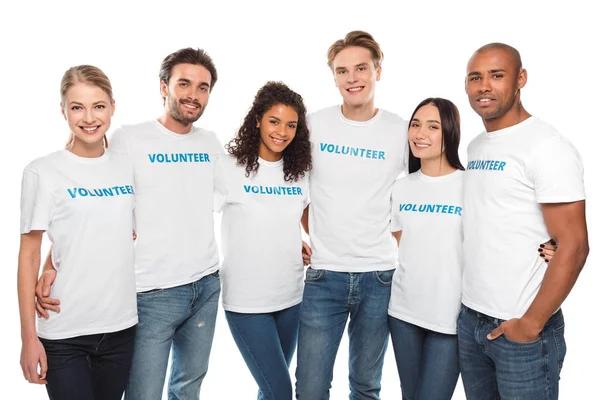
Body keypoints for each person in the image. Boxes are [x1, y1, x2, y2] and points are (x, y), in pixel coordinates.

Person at [35, 48, 223, 400]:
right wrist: (51, 262)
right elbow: (88, 195)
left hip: (206, 286)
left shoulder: (210, 143)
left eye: (203, 87)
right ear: (164, 86)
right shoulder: (129, 139)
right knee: (143, 395)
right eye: (184, 83)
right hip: (151, 294)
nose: (193, 95)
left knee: (188, 388)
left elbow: (241, 199)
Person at [459, 43, 589, 399]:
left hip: (522, 329)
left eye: (496, 75)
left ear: (521, 79)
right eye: (475, 77)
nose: (484, 86)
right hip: (472, 320)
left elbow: (575, 245)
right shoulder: (476, 147)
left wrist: (530, 324)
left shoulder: (546, 146)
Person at [295, 30, 408, 400]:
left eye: (361, 68)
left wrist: (398, 241)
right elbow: (295, 192)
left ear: (378, 71)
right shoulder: (313, 125)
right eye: (342, 71)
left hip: (379, 277)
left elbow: (426, 189)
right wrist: (312, 236)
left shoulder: (400, 130)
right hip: (324, 275)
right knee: (310, 387)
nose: (352, 78)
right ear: (334, 77)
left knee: (365, 385)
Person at [17, 65, 137, 400]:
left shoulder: (127, 167)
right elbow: (28, 254)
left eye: (98, 106)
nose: (89, 117)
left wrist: (51, 265)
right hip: (64, 332)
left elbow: (121, 235)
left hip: (121, 328)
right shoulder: (43, 172)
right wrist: (29, 338)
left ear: (112, 106)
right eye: (77, 107)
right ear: (63, 110)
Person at [215, 81, 312, 400]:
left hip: (291, 295)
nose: (282, 132)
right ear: (257, 120)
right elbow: (190, 212)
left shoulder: (299, 173)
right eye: (274, 121)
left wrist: (300, 240)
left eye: (291, 125)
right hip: (247, 300)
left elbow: (305, 218)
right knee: (281, 391)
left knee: (270, 390)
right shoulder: (228, 168)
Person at [388, 97, 464, 400]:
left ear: (450, 132)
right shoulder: (401, 187)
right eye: (416, 124)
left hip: (450, 317)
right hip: (403, 312)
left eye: (433, 126)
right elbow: (401, 240)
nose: (420, 134)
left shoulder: (470, 184)